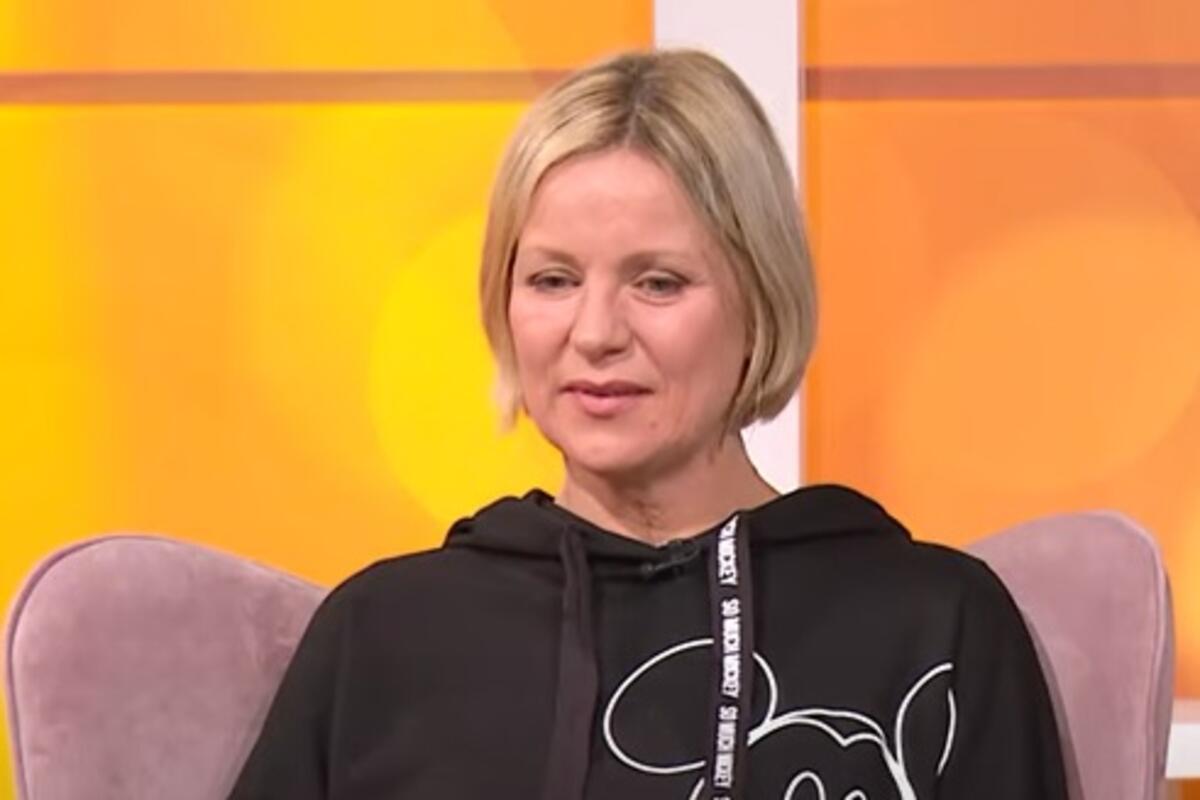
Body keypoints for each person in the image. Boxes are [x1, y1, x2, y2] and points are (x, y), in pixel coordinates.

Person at [229, 48, 1067, 799]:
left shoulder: (937, 625)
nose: (595, 333)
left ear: (759, 299)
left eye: (657, 282)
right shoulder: (381, 634)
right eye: (553, 280)